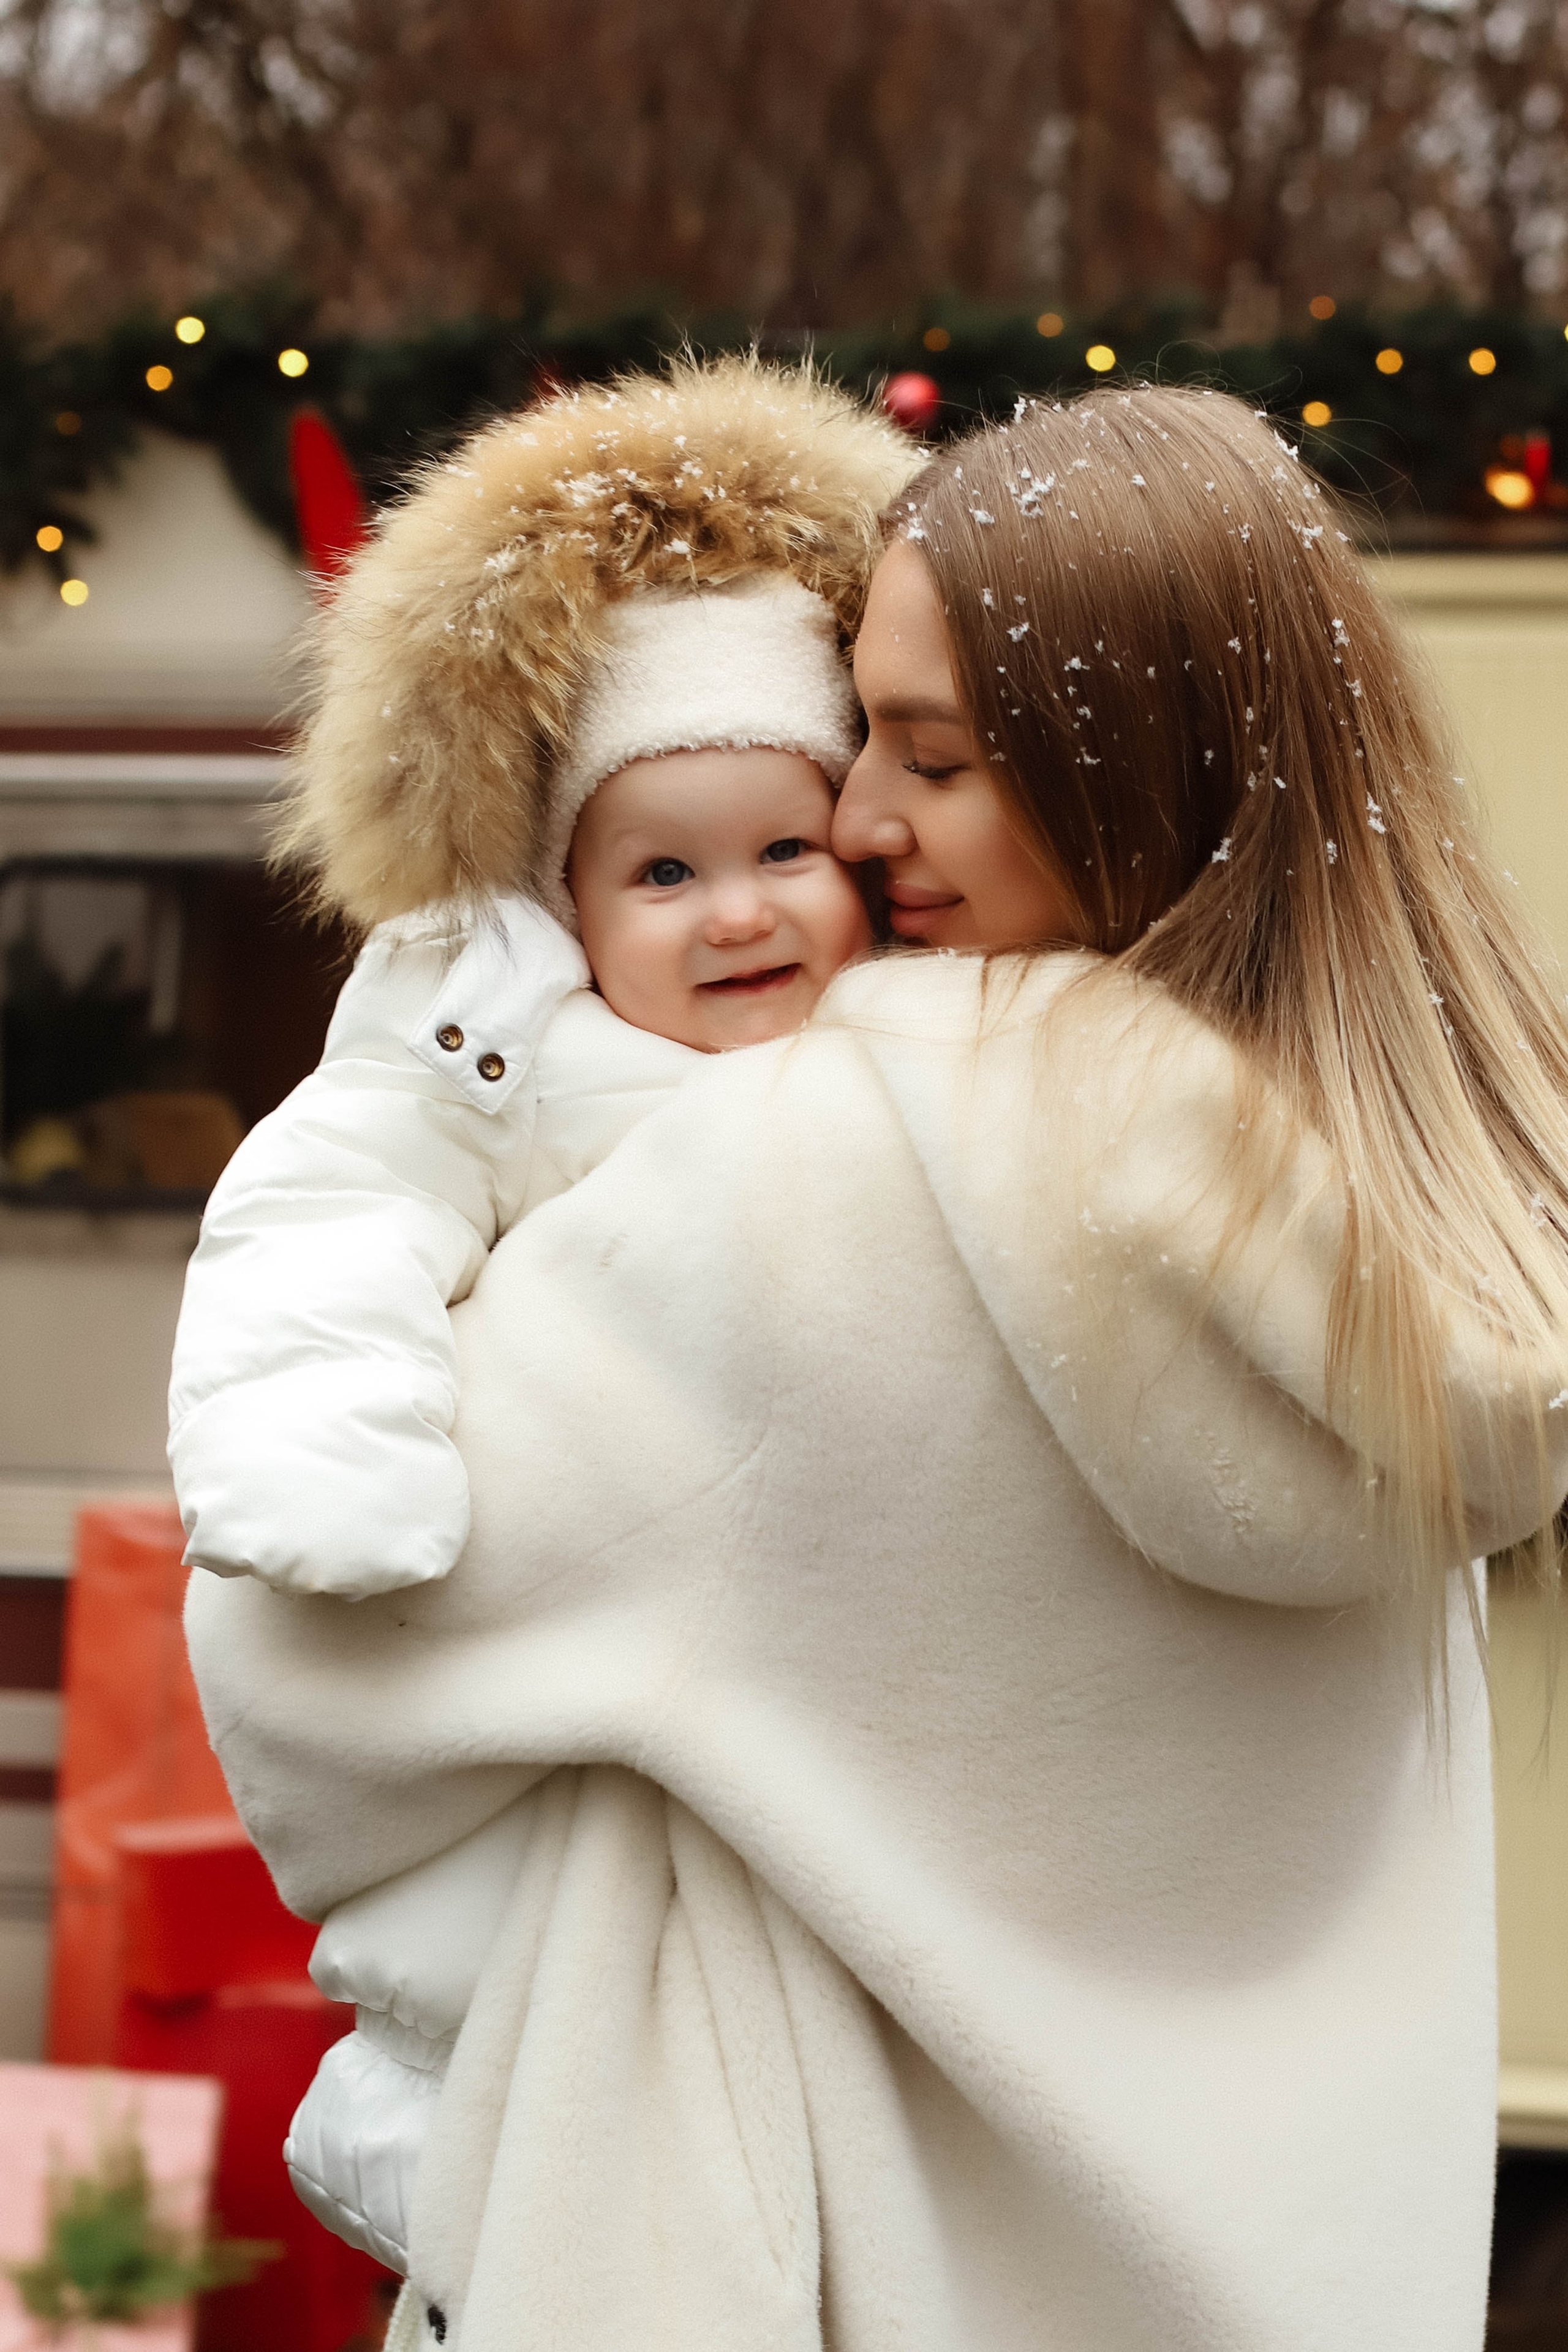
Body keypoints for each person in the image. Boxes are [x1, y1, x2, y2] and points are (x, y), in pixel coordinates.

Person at [187, 384, 1568, 2352]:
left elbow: (308, 1670)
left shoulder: (827, 1184)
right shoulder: (1412, 1228)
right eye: (865, 739)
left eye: (932, 758)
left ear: (1131, 771)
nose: (856, 824)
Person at [169, 356, 916, 1602]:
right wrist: (327, 1461)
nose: (737, 914)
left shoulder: (925, 1020)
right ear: (567, 910)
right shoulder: (502, 1057)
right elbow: (327, 1225)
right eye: (663, 873)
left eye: (786, 849)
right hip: (617, 1567)